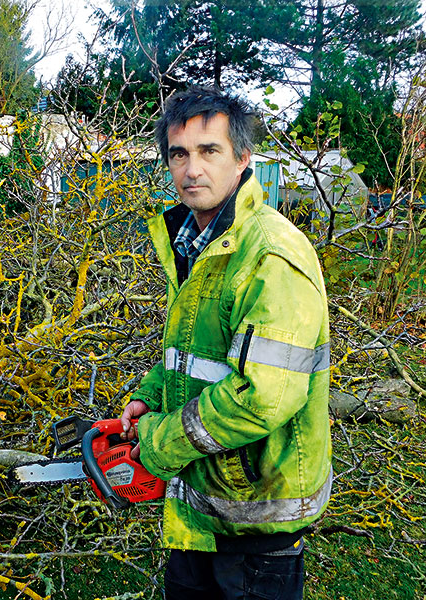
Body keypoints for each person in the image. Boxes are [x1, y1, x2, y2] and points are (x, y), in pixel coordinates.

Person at [120, 86, 332, 600]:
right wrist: (148, 394)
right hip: (203, 501)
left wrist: (158, 442)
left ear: (242, 159)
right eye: (179, 154)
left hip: (257, 517)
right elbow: (193, 349)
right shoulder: (197, 240)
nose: (192, 169)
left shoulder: (269, 253)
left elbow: (264, 396)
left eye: (209, 151)